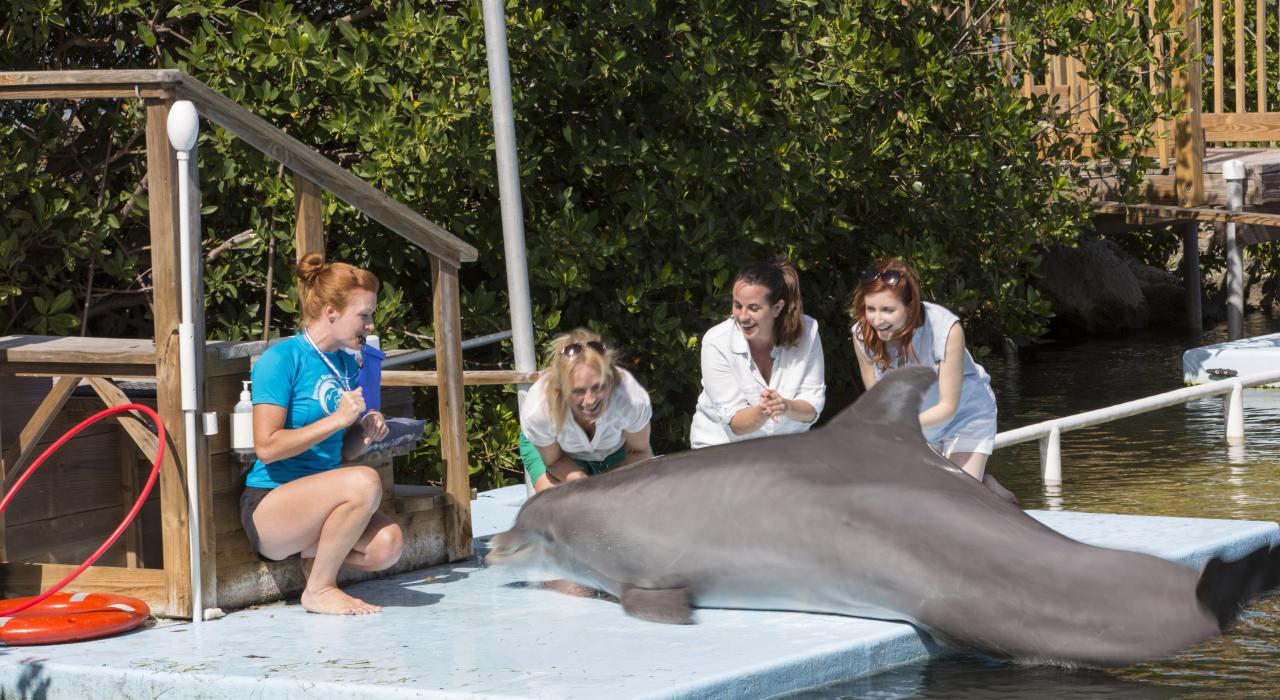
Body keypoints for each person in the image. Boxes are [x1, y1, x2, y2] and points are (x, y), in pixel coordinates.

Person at [241, 253, 403, 615]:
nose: (370, 324)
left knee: (388, 545)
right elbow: (267, 448)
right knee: (364, 482)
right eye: (363, 315)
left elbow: (340, 455)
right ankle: (319, 589)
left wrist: (363, 433)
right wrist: (336, 419)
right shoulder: (282, 359)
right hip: (271, 504)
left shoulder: (345, 364)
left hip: (323, 502)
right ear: (331, 312)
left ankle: (316, 562)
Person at [850, 258, 1015, 502]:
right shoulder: (862, 335)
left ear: (910, 306)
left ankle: (989, 491)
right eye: (870, 309)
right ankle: (982, 485)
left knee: (959, 501)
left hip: (965, 414)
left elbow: (947, 407)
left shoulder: (945, 329)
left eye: (888, 310)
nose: (877, 320)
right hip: (916, 423)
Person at [690, 260, 826, 448]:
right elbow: (735, 424)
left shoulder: (808, 332)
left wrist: (786, 406)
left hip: (786, 450)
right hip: (720, 450)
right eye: (738, 305)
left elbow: (812, 408)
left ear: (777, 308)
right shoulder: (716, 342)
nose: (743, 316)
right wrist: (764, 411)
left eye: (754, 308)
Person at [520, 329, 654, 493]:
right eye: (578, 391)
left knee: (643, 493)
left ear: (610, 380)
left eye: (598, 387)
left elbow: (639, 452)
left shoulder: (631, 400)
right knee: (552, 499)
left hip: (618, 449)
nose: (590, 401)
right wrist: (585, 484)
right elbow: (554, 461)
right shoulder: (539, 411)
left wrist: (602, 485)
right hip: (555, 453)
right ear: (561, 389)